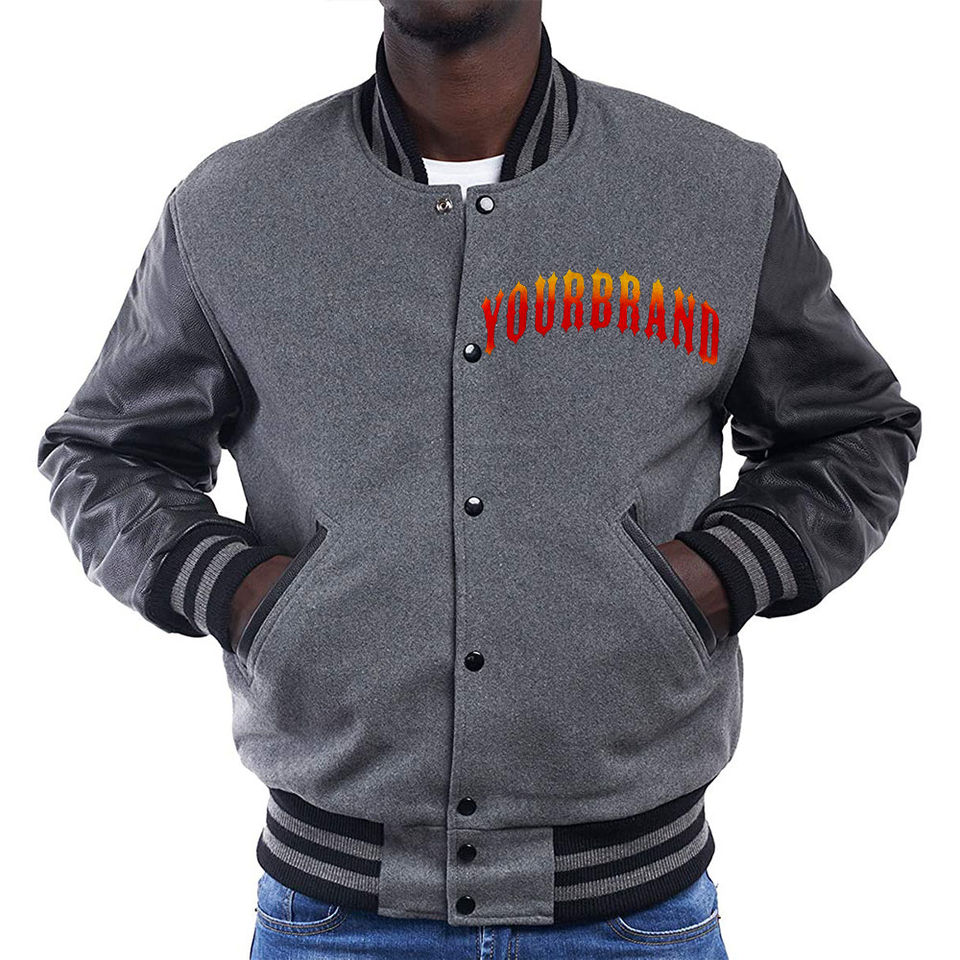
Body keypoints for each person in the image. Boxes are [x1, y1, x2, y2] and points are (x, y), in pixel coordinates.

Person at [37, 1, 921, 957]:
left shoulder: (715, 189)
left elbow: (852, 429)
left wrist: (711, 576)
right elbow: (107, 451)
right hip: (333, 918)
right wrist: (244, 594)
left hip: (633, 917)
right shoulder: (233, 207)